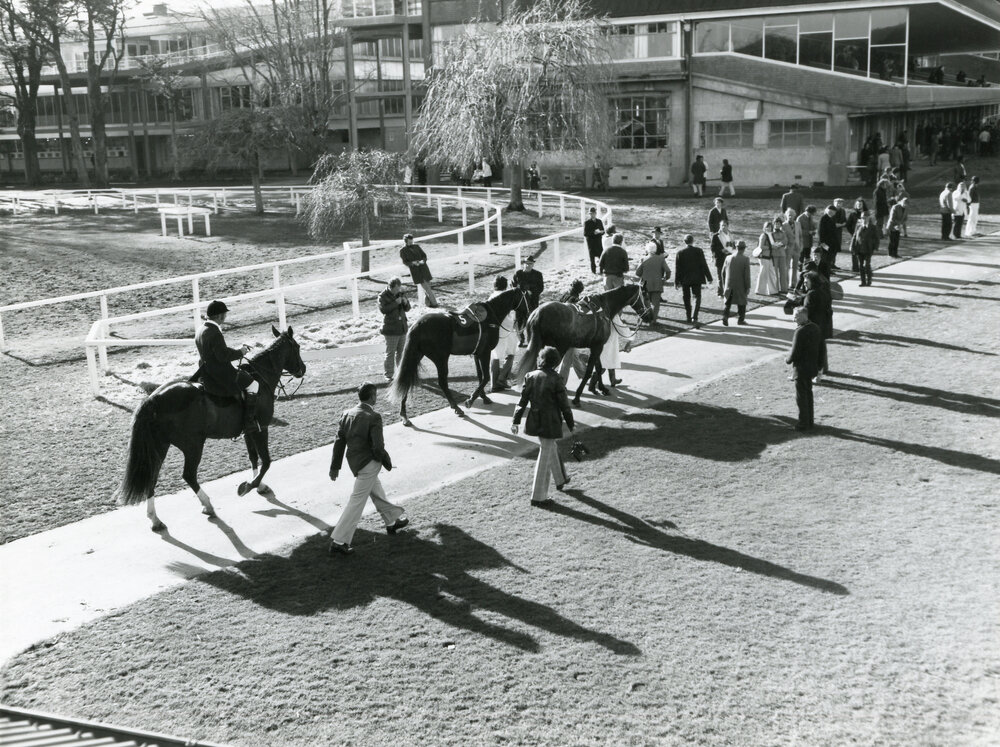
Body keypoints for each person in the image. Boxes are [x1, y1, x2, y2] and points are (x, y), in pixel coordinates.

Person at [328, 382, 409, 555]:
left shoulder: (346, 413)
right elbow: (378, 446)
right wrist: (384, 460)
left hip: (355, 463)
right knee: (356, 502)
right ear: (373, 396)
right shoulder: (374, 416)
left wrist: (335, 467)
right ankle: (339, 541)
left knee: (376, 491)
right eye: (376, 395)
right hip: (369, 463)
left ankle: (392, 521)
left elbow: (339, 442)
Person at [511, 346, 575, 507]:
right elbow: (564, 405)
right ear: (556, 362)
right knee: (545, 452)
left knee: (550, 447)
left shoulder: (530, 376)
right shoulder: (557, 379)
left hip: (535, 420)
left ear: (541, 359)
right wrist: (571, 423)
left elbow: (522, 401)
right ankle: (538, 497)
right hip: (550, 422)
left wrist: (515, 421)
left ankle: (560, 479)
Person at [194, 299, 259, 432]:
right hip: (220, 373)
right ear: (220, 316)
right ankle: (249, 422)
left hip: (205, 372)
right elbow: (223, 356)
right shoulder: (215, 332)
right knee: (254, 385)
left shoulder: (200, 329)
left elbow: (218, 351)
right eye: (225, 314)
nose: (225, 317)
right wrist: (240, 352)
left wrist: (235, 351)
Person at [785, 307, 823, 432]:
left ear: (803, 316)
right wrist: (820, 366)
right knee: (808, 394)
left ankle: (803, 423)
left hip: (801, 368)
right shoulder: (815, 327)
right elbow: (822, 348)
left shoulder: (800, 331)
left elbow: (794, 352)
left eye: (796, 316)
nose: (793, 319)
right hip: (812, 367)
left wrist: (787, 360)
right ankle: (810, 421)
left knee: (801, 397)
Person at [675, 234, 712, 325]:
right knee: (697, 297)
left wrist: (677, 281)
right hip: (696, 278)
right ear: (693, 241)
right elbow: (704, 264)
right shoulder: (699, 251)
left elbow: (678, 269)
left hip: (685, 279)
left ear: (684, 242)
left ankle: (688, 316)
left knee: (686, 298)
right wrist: (709, 277)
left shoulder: (680, 253)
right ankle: (694, 316)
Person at [378, 277, 410, 381]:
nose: (398, 291)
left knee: (401, 353)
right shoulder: (382, 296)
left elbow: (408, 308)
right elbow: (383, 310)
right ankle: (389, 375)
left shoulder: (401, 293)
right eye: (396, 289)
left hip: (402, 328)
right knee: (390, 353)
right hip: (391, 329)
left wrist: (405, 302)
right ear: (390, 287)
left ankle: (401, 373)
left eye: (399, 288)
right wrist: (396, 303)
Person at [490, 276, 518, 392]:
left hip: (494, 330)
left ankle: (494, 383)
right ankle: (501, 379)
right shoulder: (508, 296)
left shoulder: (492, 296)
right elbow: (512, 314)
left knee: (495, 356)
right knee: (511, 354)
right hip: (507, 329)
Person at [635, 241, 669, 323]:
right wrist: (665, 279)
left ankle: (645, 318)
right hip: (657, 283)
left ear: (647, 250)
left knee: (644, 303)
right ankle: (653, 320)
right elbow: (668, 271)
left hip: (645, 284)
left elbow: (637, 273)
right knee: (655, 304)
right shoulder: (661, 259)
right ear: (655, 249)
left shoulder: (643, 259)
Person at [399, 233, 437, 307]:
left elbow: (424, 255)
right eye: (409, 242)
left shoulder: (417, 246)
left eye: (412, 241)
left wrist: (423, 261)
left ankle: (428, 304)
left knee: (428, 288)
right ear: (406, 241)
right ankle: (435, 304)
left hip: (424, 268)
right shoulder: (403, 250)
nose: (411, 243)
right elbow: (405, 262)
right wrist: (412, 263)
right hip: (416, 271)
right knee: (427, 288)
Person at [721, 240, 751, 326]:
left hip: (729, 284)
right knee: (742, 302)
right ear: (744, 249)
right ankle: (741, 319)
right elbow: (747, 275)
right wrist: (748, 286)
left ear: (736, 247)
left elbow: (723, 272)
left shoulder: (728, 257)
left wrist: (724, 284)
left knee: (728, 302)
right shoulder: (745, 259)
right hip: (740, 285)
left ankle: (725, 317)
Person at [853, 212, 880, 284]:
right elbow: (855, 236)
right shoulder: (858, 226)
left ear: (868, 218)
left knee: (867, 265)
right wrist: (853, 247)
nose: (864, 219)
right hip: (859, 249)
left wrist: (875, 247)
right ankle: (863, 281)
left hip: (868, 249)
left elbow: (877, 238)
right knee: (861, 266)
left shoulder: (873, 227)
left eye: (865, 218)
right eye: (862, 218)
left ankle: (869, 280)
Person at [753, 221, 779, 296]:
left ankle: (773, 291)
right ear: (764, 228)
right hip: (764, 257)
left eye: (770, 227)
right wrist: (771, 247)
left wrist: (775, 246)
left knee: (771, 273)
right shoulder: (763, 235)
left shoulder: (770, 235)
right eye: (767, 227)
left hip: (769, 257)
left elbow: (772, 244)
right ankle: (759, 290)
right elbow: (761, 246)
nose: (769, 228)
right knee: (763, 273)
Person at [710, 220, 733, 297]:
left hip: (729, 258)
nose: (723, 227)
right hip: (720, 258)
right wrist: (721, 250)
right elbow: (712, 248)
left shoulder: (730, 235)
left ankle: (728, 291)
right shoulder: (716, 236)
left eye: (725, 225)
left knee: (728, 276)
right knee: (720, 276)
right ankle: (720, 292)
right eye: (722, 225)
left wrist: (731, 251)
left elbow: (732, 245)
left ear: (727, 226)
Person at [781, 207, 800, 291]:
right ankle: (786, 283)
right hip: (788, 249)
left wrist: (801, 246)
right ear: (786, 215)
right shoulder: (783, 225)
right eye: (789, 215)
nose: (790, 216)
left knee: (795, 267)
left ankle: (794, 283)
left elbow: (800, 236)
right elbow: (782, 237)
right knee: (786, 267)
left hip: (797, 248)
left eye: (792, 215)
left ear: (795, 216)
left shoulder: (798, 224)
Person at [583, 207, 605, 274]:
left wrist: (601, 232)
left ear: (595, 213)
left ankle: (601, 270)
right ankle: (593, 271)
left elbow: (603, 230)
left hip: (598, 242)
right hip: (591, 243)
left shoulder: (599, 221)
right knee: (592, 259)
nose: (592, 215)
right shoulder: (587, 222)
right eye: (591, 213)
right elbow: (585, 233)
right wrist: (593, 233)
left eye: (593, 213)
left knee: (601, 256)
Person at [771, 215, 789, 294]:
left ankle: (784, 289)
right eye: (776, 224)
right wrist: (776, 244)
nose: (777, 225)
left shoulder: (783, 233)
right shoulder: (771, 233)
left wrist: (778, 244)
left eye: (778, 224)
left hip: (782, 254)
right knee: (775, 272)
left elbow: (785, 241)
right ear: (773, 224)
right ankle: (776, 289)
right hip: (774, 254)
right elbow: (771, 242)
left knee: (783, 272)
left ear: (781, 225)